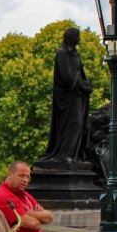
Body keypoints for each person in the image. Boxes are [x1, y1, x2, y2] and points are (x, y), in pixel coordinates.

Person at [38, 27, 93, 164]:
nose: (79, 39)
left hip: (78, 97)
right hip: (67, 97)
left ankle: (74, 154)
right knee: (73, 122)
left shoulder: (76, 55)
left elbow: (80, 74)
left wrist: (85, 84)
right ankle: (64, 154)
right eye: (77, 36)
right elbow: (67, 76)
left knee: (81, 124)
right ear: (70, 37)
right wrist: (82, 86)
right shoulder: (61, 53)